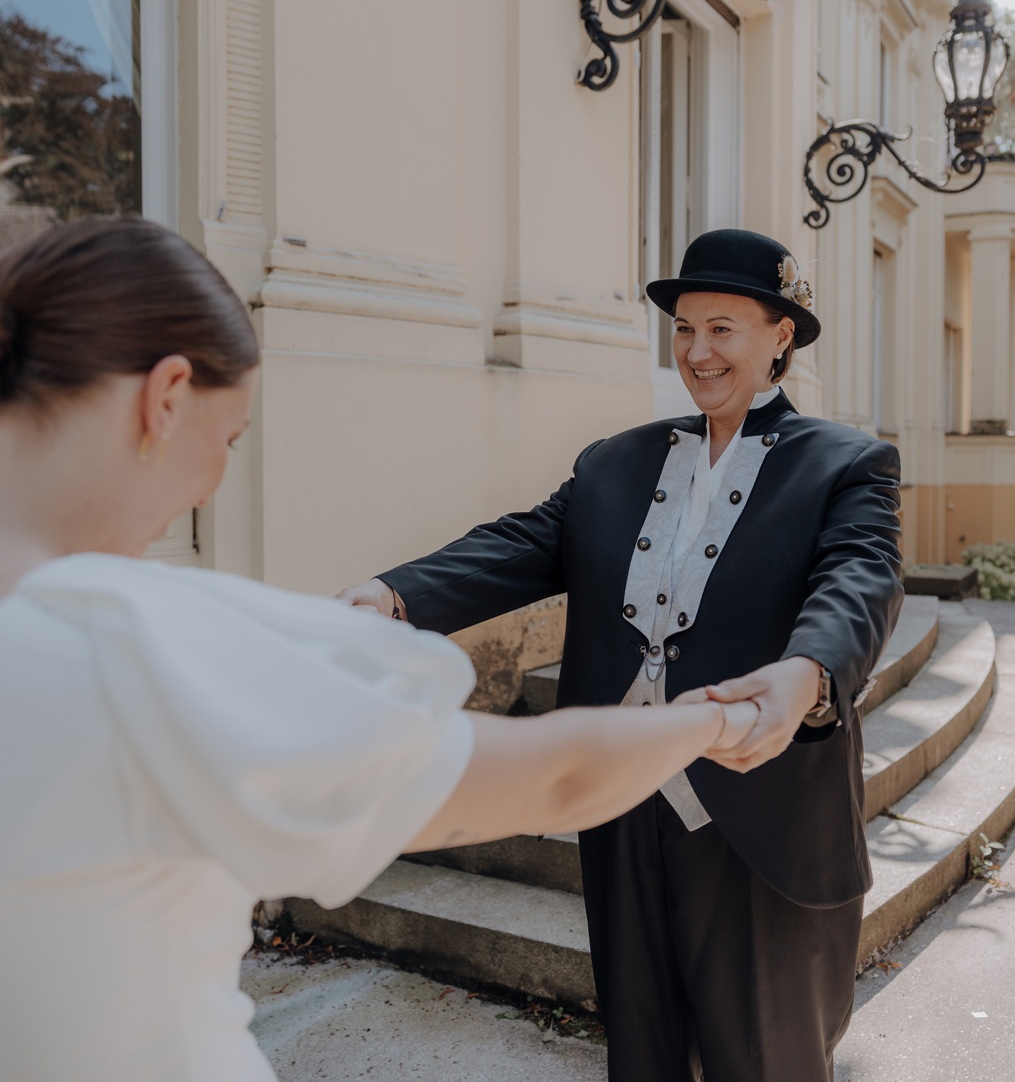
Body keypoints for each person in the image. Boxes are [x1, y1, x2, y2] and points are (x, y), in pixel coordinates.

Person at [0, 215, 759, 1082]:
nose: (213, 477)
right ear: (164, 398)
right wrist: (719, 721)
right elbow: (557, 775)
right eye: (231, 437)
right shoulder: (129, 639)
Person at [342, 228, 904, 1082]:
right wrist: (392, 596)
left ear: (780, 335)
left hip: (757, 811)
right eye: (684, 328)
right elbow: (521, 544)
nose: (697, 351)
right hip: (624, 799)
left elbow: (860, 578)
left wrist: (807, 674)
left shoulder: (847, 464)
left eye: (724, 328)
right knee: (639, 1049)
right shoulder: (616, 461)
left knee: (767, 1057)